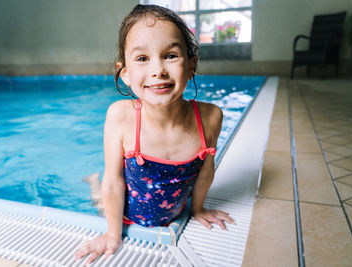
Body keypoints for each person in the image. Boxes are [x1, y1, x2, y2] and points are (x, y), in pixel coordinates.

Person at [74, 4, 235, 264]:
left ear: (191, 64)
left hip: (175, 211)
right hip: (126, 212)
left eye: (170, 55)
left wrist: (198, 209)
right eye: (142, 59)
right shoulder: (121, 116)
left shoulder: (210, 117)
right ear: (125, 73)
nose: (158, 70)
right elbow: (115, 180)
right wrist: (113, 234)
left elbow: (206, 172)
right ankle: (93, 183)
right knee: (101, 198)